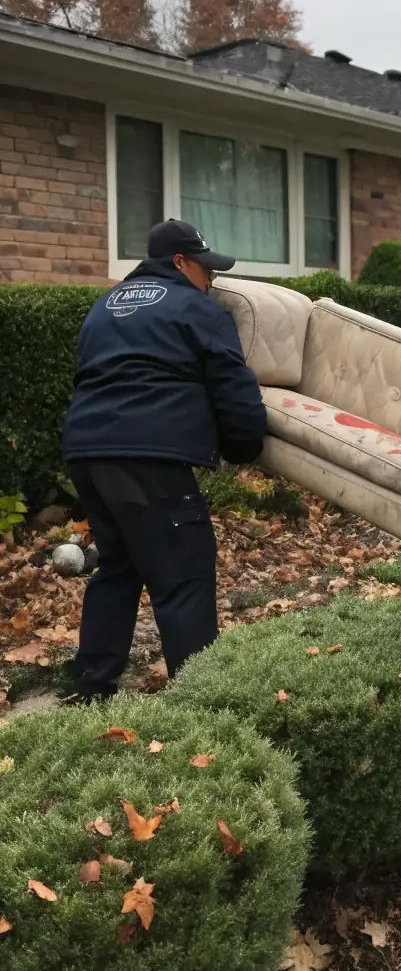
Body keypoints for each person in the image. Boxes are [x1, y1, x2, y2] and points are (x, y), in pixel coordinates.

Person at [61, 218, 267, 702]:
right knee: (183, 574)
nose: (212, 279)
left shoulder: (104, 306)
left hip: (87, 451)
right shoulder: (199, 310)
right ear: (180, 262)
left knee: (118, 565)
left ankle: (92, 687)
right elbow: (233, 387)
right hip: (148, 458)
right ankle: (201, 701)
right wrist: (245, 446)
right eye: (206, 268)